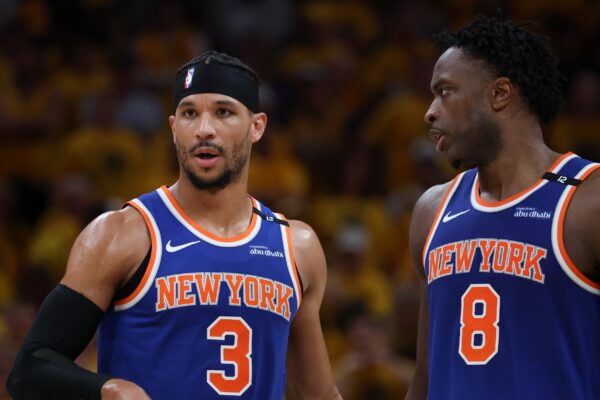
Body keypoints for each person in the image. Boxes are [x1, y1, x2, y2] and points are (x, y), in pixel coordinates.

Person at [7, 51, 342, 400]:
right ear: (173, 127)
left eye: (223, 112)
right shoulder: (123, 233)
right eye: (189, 113)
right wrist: (111, 390)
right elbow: (29, 369)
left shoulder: (296, 246)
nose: (203, 129)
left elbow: (317, 394)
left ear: (257, 126)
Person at [406, 15, 600, 400]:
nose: (429, 111)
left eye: (445, 91)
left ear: (499, 94)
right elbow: (426, 378)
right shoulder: (432, 209)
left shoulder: (586, 201)